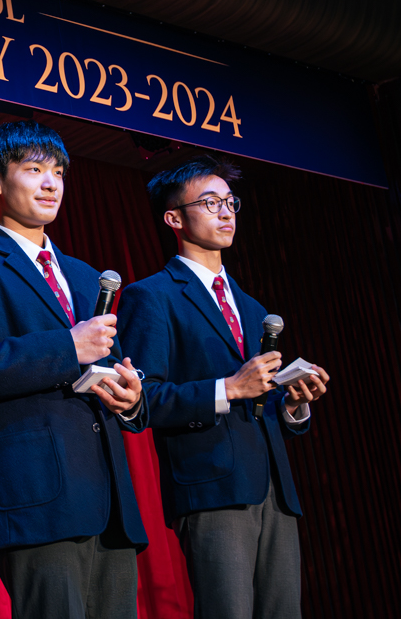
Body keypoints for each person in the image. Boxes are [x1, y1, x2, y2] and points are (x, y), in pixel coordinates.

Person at [0, 121, 148, 619]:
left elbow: (109, 364)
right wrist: (67, 345)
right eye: (34, 170)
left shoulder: (87, 275)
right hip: (37, 499)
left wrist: (132, 398)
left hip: (110, 502)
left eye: (59, 173)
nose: (51, 184)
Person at [115, 155, 330, 619]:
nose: (226, 212)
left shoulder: (253, 308)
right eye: (210, 203)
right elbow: (143, 400)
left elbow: (262, 399)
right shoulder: (151, 296)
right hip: (211, 489)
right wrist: (228, 388)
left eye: (230, 202)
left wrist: (294, 405)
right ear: (174, 218)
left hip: (275, 490)